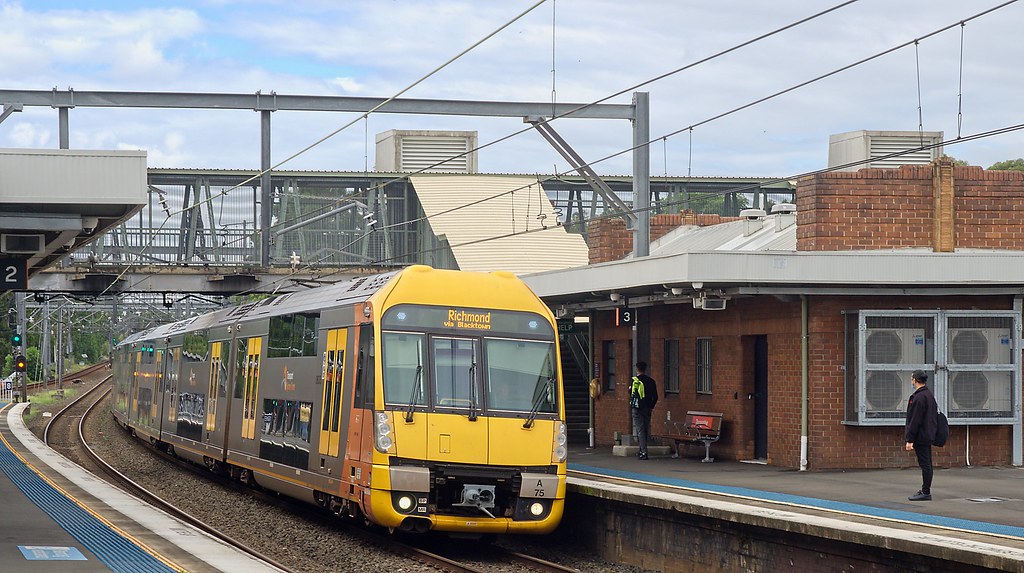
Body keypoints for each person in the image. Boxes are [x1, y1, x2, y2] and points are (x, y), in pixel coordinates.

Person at [905, 369, 938, 501]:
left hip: (921, 436)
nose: (911, 381)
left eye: (912, 378)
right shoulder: (929, 395)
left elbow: (915, 420)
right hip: (928, 433)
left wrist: (910, 439)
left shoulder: (918, 397)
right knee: (927, 463)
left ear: (915, 380)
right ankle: (925, 490)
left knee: (925, 464)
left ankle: (926, 491)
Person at [630, 361, 659, 460]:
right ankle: (641, 449)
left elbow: (631, 393)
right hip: (647, 408)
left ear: (637, 369)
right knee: (645, 429)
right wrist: (651, 406)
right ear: (645, 369)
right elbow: (655, 396)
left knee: (640, 430)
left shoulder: (635, 381)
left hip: (637, 408)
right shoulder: (651, 381)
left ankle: (643, 452)